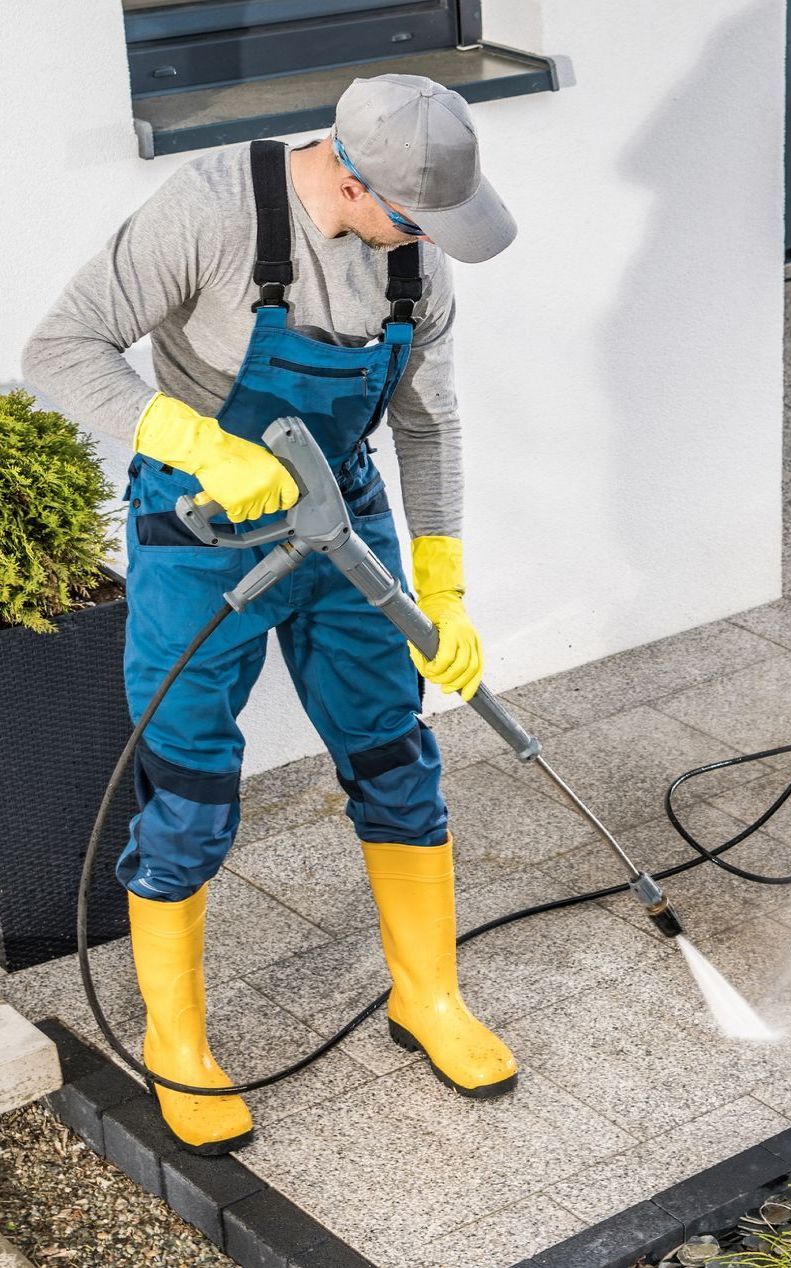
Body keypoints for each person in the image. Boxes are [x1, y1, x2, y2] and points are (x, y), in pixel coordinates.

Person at [22, 73, 519, 1155]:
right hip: (201, 537)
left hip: (345, 522)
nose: (427, 244)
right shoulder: (206, 211)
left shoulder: (416, 263)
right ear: (349, 179)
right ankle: (179, 1041)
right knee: (190, 789)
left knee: (396, 756)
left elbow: (429, 425)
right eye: (414, 219)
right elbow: (56, 350)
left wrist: (442, 576)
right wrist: (197, 442)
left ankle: (425, 996)